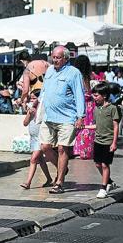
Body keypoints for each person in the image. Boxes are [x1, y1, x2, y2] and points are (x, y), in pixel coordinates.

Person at [39, 46, 86, 195]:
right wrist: (37, 104)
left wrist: (80, 116)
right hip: (49, 116)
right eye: (53, 57)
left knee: (62, 148)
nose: (55, 60)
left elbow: (80, 94)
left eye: (58, 57)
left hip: (67, 117)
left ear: (66, 58)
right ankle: (63, 169)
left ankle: (59, 182)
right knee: (45, 147)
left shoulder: (73, 73)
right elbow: (44, 90)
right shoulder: (50, 71)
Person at [89, 82, 120, 199]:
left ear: (104, 96)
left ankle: (103, 188)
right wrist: (84, 127)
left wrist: (114, 142)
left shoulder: (112, 109)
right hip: (98, 141)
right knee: (97, 164)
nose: (94, 98)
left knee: (104, 164)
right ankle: (109, 182)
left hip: (108, 141)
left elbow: (116, 126)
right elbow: (96, 125)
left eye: (96, 95)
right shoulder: (96, 109)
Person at [20, 89, 53, 189]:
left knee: (33, 159)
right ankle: (49, 178)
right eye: (31, 98)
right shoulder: (31, 109)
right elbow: (25, 123)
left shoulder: (44, 110)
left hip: (41, 136)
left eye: (34, 98)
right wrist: (30, 114)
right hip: (33, 138)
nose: (32, 100)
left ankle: (28, 182)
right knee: (40, 159)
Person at [72, 55, 95, 160]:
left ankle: (78, 149)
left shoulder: (75, 76)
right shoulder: (90, 76)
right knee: (89, 127)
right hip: (90, 105)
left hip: (79, 104)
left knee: (79, 127)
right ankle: (87, 149)